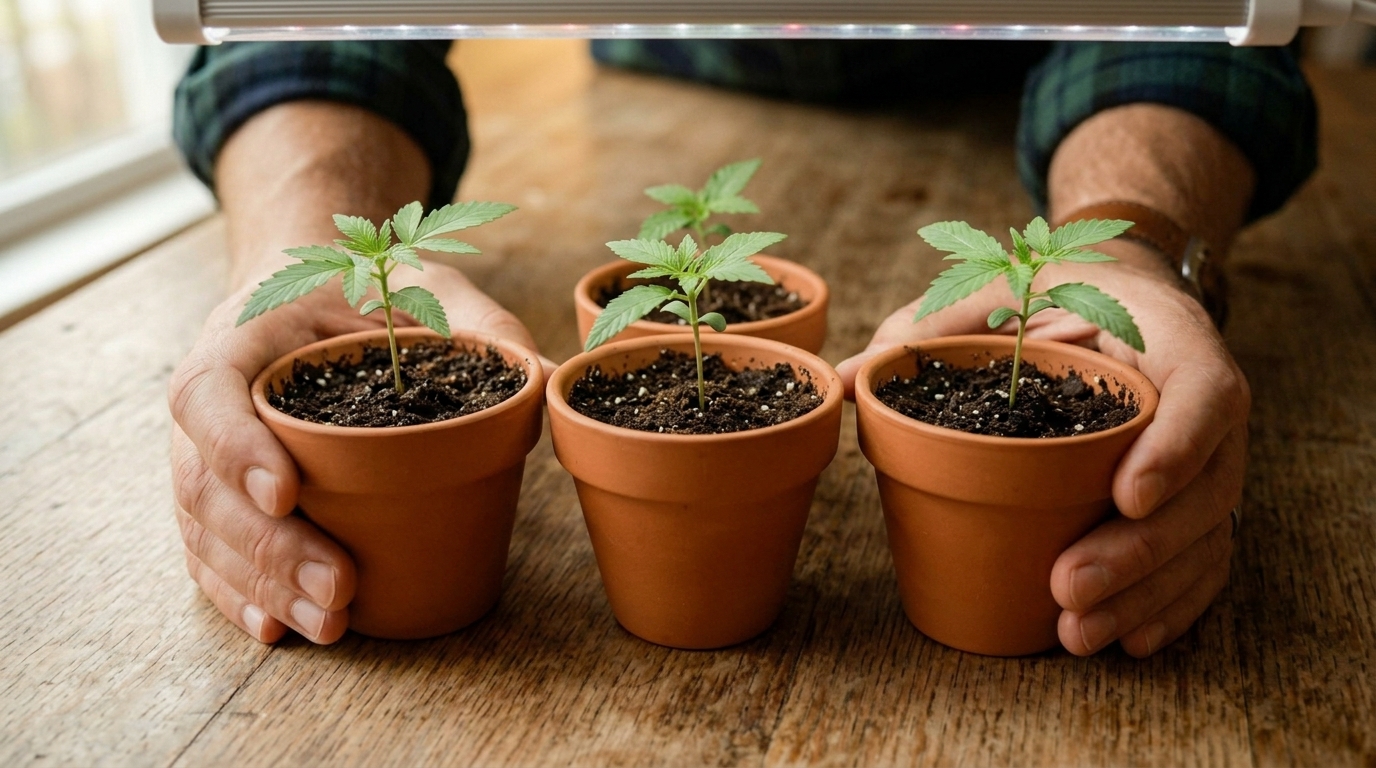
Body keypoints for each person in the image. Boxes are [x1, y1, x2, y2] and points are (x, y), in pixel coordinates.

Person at [167, 39, 1317, 655]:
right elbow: (296, 21)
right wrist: (305, 233)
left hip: (1017, 91)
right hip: (663, 75)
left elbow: (1212, 22)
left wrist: (1133, 240)